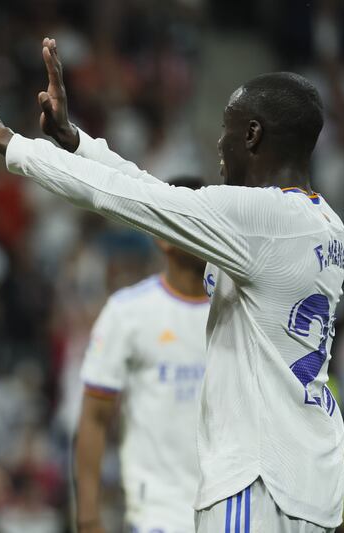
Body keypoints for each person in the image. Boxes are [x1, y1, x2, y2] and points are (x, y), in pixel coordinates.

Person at [0, 38, 344, 532]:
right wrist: (76, 140)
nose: (220, 151)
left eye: (226, 134)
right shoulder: (325, 224)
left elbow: (128, 200)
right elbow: (157, 195)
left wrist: (8, 142)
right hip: (312, 482)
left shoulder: (258, 217)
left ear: (252, 134)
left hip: (256, 484)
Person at [75, 178, 210, 533]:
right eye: (193, 221)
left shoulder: (241, 311)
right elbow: (94, 416)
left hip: (230, 508)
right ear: (162, 236)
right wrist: (88, 516)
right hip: (158, 512)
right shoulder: (128, 312)